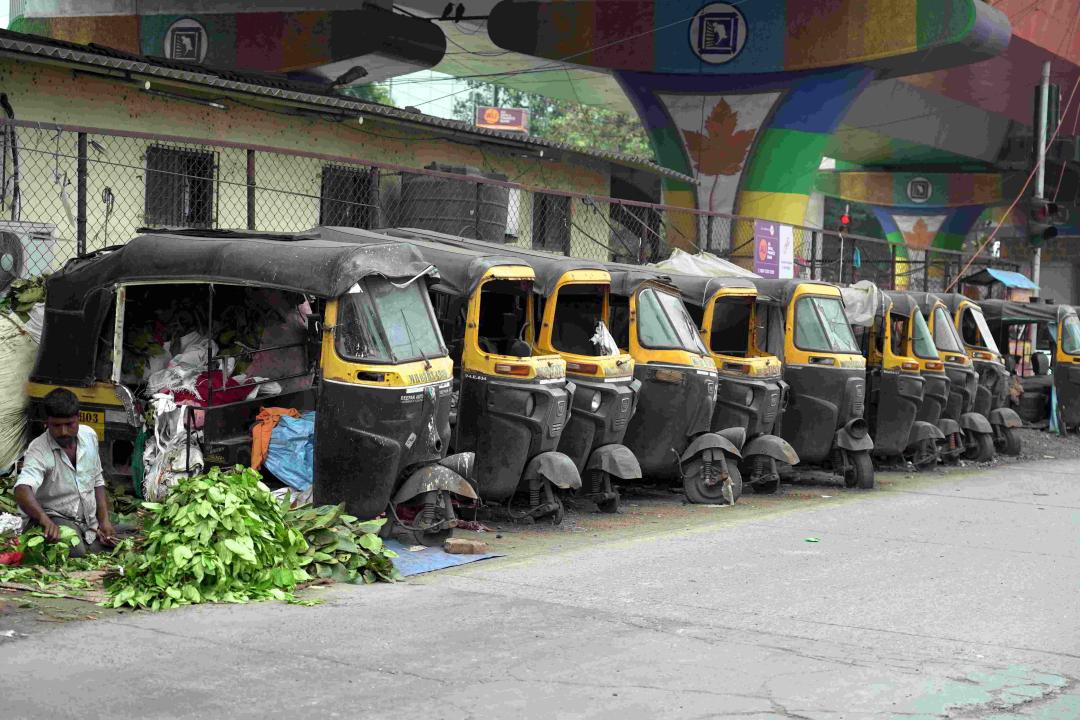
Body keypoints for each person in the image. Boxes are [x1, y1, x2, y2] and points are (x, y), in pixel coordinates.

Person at [14, 388, 117, 557]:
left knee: (129, 535)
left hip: (86, 520)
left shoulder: (89, 436)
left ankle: (92, 538)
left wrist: (103, 521)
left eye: (69, 424)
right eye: (56, 425)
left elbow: (97, 481)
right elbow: (22, 489)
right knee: (75, 549)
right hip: (55, 517)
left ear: (78, 417)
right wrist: (45, 520)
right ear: (46, 422)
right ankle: (88, 543)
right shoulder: (39, 449)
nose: (63, 432)